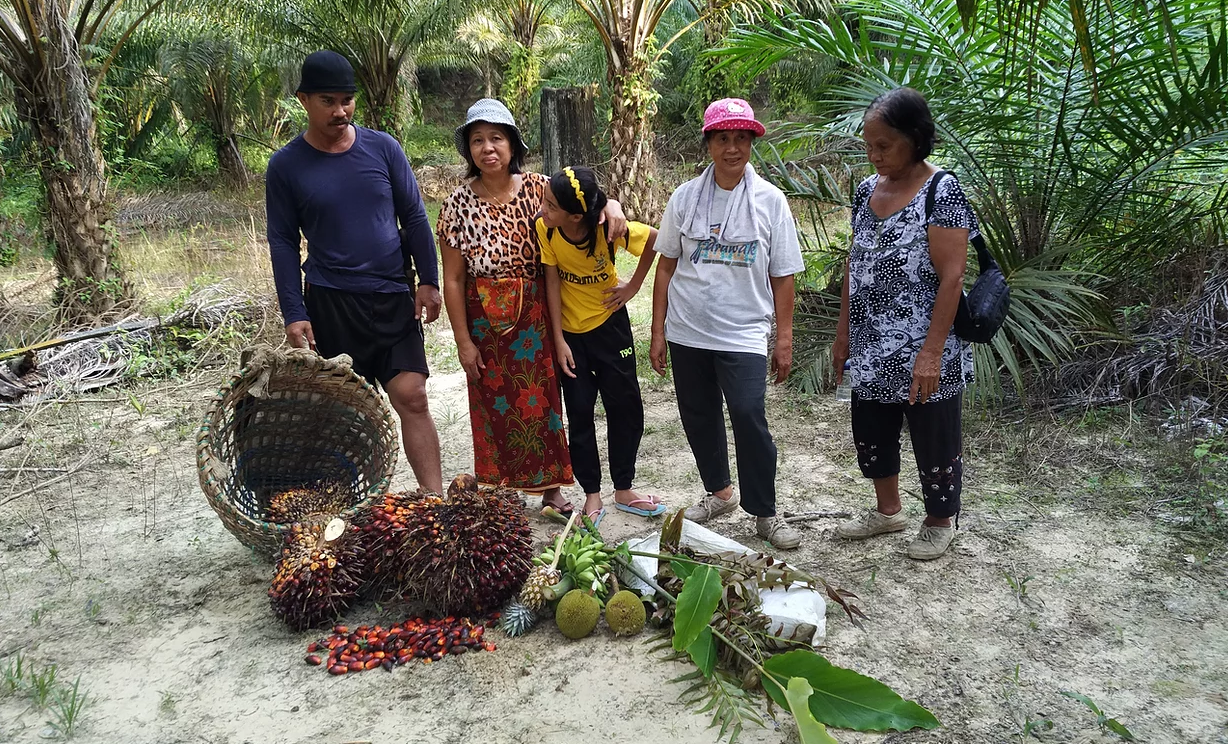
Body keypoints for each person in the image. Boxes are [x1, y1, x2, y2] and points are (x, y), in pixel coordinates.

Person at [437, 99, 627, 517]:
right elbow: (452, 279)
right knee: (491, 403)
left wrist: (612, 204)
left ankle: (551, 491)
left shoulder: (541, 188)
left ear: (513, 145)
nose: (488, 148)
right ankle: (500, 488)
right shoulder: (455, 205)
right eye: (477, 140)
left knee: (543, 402)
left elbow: (587, 196)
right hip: (483, 319)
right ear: (468, 149)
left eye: (497, 138)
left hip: (535, 317)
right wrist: (463, 341)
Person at [265, 50, 444, 494]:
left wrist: (428, 280)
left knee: (413, 397)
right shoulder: (286, 166)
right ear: (304, 100)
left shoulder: (382, 148)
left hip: (391, 297)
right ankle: (347, 514)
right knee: (346, 415)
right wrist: (293, 310)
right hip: (331, 302)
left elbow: (416, 218)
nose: (340, 111)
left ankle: (435, 505)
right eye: (328, 100)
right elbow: (283, 241)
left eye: (348, 100)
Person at [649, 98, 804, 550]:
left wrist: (785, 339)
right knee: (698, 416)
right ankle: (719, 493)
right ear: (709, 144)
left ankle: (765, 512)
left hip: (743, 332)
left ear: (752, 141)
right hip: (687, 330)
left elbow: (783, 273)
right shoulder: (684, 197)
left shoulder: (771, 201)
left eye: (741, 138)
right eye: (722, 138)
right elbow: (665, 266)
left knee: (748, 414)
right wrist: (658, 331)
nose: (732, 148)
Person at [832, 87, 975, 560]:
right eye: (869, 146)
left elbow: (952, 277)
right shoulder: (865, 192)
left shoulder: (942, 191)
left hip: (923, 343)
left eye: (884, 146)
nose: (874, 156)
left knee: (933, 432)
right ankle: (888, 511)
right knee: (871, 429)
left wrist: (931, 353)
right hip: (871, 343)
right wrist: (843, 334)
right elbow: (856, 265)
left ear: (915, 139)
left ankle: (940, 519)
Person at [538, 165, 667, 526]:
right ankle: (592, 494)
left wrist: (633, 287)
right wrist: (559, 339)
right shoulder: (545, 229)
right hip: (571, 338)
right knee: (579, 412)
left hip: (611, 329)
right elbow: (551, 283)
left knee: (625, 408)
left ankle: (624, 488)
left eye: (550, 205)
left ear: (576, 215)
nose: (542, 209)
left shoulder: (606, 230)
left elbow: (655, 239)